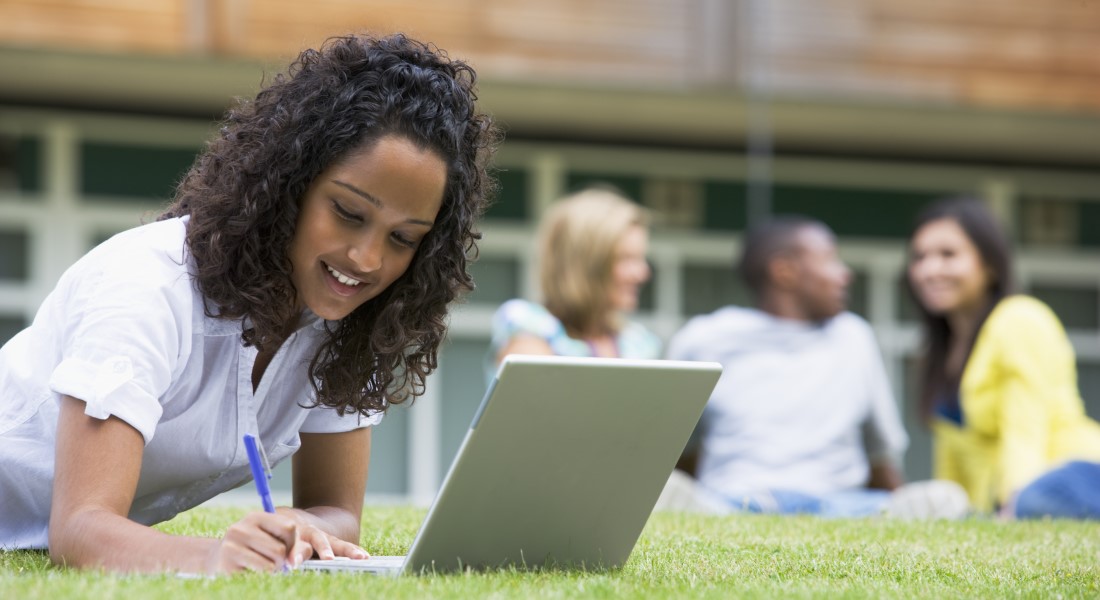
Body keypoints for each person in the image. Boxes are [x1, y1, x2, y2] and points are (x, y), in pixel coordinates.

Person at [0, 33, 499, 573]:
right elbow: (80, 531)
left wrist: (305, 527)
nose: (367, 258)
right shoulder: (148, 287)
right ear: (290, 183)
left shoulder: (345, 318)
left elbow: (335, 512)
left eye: (403, 238)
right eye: (349, 213)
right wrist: (217, 556)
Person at [665, 216, 967, 518]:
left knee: (945, 498)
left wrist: (909, 506)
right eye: (830, 260)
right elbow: (672, 449)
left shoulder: (854, 337)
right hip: (734, 502)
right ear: (785, 272)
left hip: (841, 506)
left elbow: (879, 457)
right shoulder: (705, 338)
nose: (845, 274)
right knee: (669, 492)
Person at [906, 197, 1100, 519]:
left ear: (991, 265)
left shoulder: (1019, 318)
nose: (929, 269)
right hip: (1004, 499)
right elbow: (953, 456)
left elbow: (1026, 418)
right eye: (920, 257)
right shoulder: (939, 349)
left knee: (1034, 501)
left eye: (948, 255)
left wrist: (1015, 498)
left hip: (1068, 477)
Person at [486, 187, 660, 373]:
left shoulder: (638, 343)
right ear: (585, 264)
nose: (643, 273)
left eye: (641, 258)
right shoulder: (529, 326)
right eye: (626, 259)